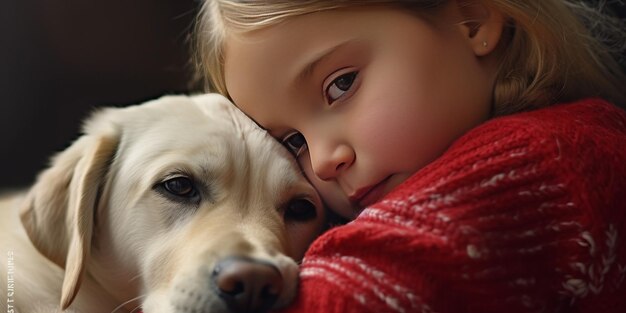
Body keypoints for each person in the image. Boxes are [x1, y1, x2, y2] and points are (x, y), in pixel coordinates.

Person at [194, 0, 626, 312]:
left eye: (341, 85)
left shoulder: (538, 159)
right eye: (293, 142)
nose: (323, 162)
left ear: (471, 19)